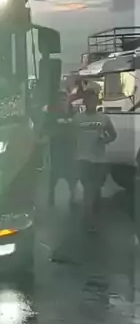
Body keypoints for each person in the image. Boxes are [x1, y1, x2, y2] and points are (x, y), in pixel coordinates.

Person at [72, 89, 117, 224]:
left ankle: (92, 213)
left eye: (94, 100)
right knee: (88, 188)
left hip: (99, 160)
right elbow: (70, 137)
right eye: (89, 100)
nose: (91, 103)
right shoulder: (77, 118)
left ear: (97, 102)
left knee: (95, 188)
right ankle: (89, 217)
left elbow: (113, 135)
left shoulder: (104, 119)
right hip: (82, 158)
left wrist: (104, 140)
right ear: (84, 102)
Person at [46, 90, 77, 207]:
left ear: (68, 100)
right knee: (54, 174)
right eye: (59, 100)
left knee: (72, 174)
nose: (62, 102)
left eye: (64, 99)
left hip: (70, 149)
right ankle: (50, 198)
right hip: (56, 148)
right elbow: (46, 129)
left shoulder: (74, 113)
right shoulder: (51, 114)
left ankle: (73, 197)